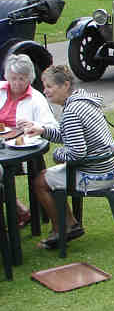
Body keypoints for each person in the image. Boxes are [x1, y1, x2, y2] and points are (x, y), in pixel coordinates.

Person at [23, 65, 114, 250]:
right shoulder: (82, 101)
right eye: (44, 86)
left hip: (97, 174)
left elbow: (76, 153)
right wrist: (43, 131)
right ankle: (70, 223)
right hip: (108, 167)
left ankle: (63, 229)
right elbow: (69, 135)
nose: (45, 91)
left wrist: (57, 154)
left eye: (49, 86)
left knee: (40, 182)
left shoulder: (72, 112)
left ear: (65, 85)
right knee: (46, 176)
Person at [0, 54, 57, 229]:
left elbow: (51, 126)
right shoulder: (1, 90)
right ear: (7, 77)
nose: (16, 83)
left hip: (21, 149)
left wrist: (34, 125)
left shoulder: (36, 98)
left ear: (29, 78)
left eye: (21, 79)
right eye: (13, 78)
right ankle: (20, 210)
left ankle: (18, 212)